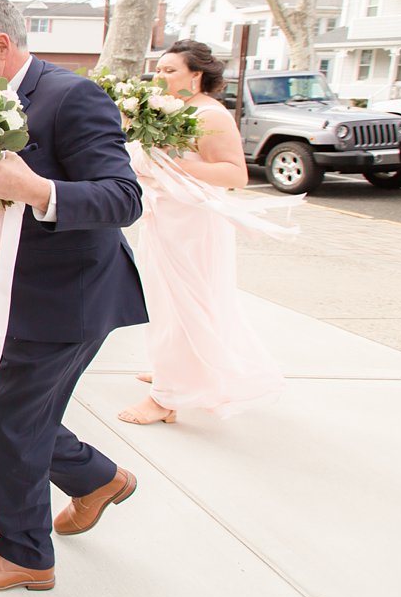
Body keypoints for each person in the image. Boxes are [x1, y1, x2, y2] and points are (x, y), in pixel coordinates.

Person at [0, 0, 147, 593]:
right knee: (12, 408)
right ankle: (97, 480)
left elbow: (124, 199)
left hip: (70, 293)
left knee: (15, 416)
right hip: (17, 283)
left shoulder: (72, 97)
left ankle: (25, 553)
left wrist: (35, 190)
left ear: (2, 44)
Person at [118, 40, 285, 425]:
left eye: (170, 70)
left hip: (193, 225)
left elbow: (234, 174)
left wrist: (168, 168)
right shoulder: (172, 111)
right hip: (166, 219)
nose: (160, 76)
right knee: (164, 302)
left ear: (196, 75)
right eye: (158, 69)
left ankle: (167, 400)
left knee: (185, 304)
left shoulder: (211, 115)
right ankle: (173, 373)